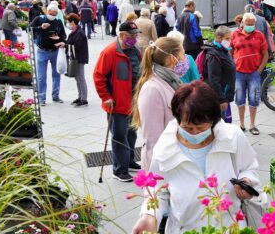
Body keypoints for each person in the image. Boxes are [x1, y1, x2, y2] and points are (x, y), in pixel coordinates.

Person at [129, 81, 260, 234]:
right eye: (188, 128)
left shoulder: (232, 138)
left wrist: (247, 182)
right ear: (178, 120)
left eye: (202, 127)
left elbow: (249, 168)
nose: (195, 133)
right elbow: (158, 191)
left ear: (213, 121)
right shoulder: (165, 147)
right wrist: (149, 216)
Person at [93, 21, 142, 182]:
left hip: (133, 101)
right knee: (119, 136)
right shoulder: (110, 52)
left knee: (131, 133)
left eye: (136, 35)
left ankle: (128, 161)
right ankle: (119, 169)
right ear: (121, 35)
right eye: (131, 36)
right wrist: (106, 97)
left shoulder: (136, 51)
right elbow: (98, 76)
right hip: (117, 103)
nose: (134, 39)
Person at [133, 34, 186, 171]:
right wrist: (157, 179)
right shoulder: (152, 89)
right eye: (183, 55)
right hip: (163, 167)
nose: (185, 60)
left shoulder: (171, 81)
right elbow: (152, 141)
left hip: (176, 159)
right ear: (171, 59)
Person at [231, 13, 269, 135]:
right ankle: (241, 124)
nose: (250, 26)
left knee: (254, 99)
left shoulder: (259, 35)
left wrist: (259, 70)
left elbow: (265, 54)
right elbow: (230, 52)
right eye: (248, 24)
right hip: (238, 73)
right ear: (242, 23)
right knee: (239, 98)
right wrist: (233, 66)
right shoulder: (234, 34)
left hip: (254, 73)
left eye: (252, 24)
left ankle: (252, 125)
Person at [29, 5, 67, 105]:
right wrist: (39, 27)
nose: (52, 16)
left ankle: (56, 96)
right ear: (47, 12)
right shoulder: (39, 19)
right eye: (50, 14)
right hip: (42, 51)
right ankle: (42, 98)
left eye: (54, 15)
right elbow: (29, 29)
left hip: (55, 51)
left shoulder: (58, 21)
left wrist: (59, 40)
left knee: (56, 74)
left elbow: (63, 35)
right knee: (41, 76)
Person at [199, 25, 236, 122]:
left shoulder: (223, 50)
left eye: (230, 38)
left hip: (225, 94)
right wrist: (221, 99)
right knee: (219, 123)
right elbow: (213, 79)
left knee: (225, 123)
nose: (229, 41)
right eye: (227, 38)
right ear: (219, 38)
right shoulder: (213, 55)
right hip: (219, 98)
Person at [65, 13, 89, 107]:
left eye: (69, 22)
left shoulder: (80, 33)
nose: (68, 24)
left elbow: (77, 46)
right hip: (75, 58)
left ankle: (84, 99)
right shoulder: (75, 31)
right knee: (77, 78)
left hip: (79, 58)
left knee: (81, 78)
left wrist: (65, 45)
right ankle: (80, 97)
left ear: (73, 22)